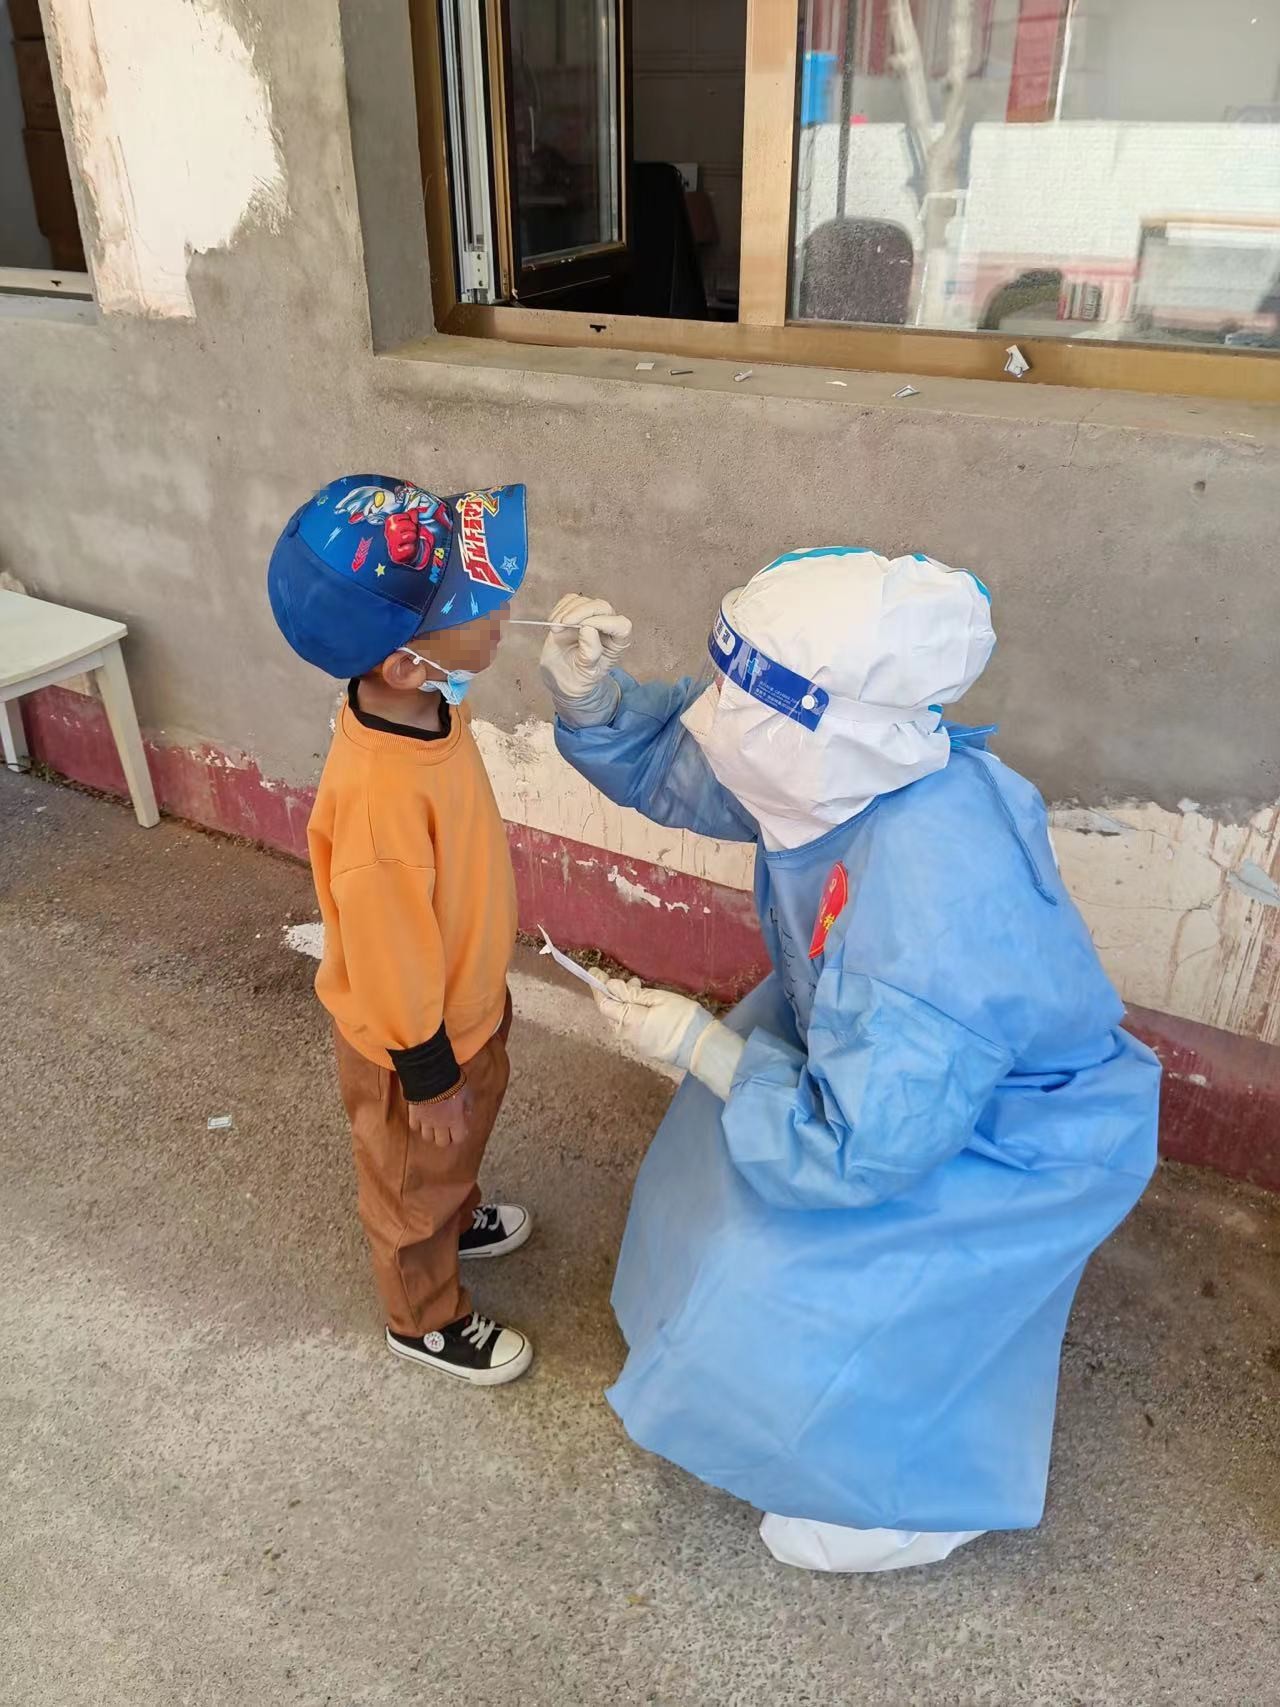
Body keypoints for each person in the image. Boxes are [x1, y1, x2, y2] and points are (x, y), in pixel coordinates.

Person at [539, 551, 1160, 1569]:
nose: (711, 714)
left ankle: (912, 1495)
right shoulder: (847, 766)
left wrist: (702, 1046)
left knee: (796, 1279)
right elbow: (700, 762)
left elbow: (857, 1151)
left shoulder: (929, 903)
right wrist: (594, 702)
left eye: (739, 695)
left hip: (1004, 1129)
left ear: (821, 725)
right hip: (871, 1052)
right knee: (714, 1181)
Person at [267, 474, 570, 1386]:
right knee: (411, 1178)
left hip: (464, 1001)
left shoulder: (428, 705)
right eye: (477, 605)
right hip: (413, 1044)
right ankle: (422, 1312)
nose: (501, 610)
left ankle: (454, 1216)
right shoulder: (378, 805)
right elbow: (391, 958)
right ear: (404, 664)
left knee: (455, 1150)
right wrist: (428, 1075)